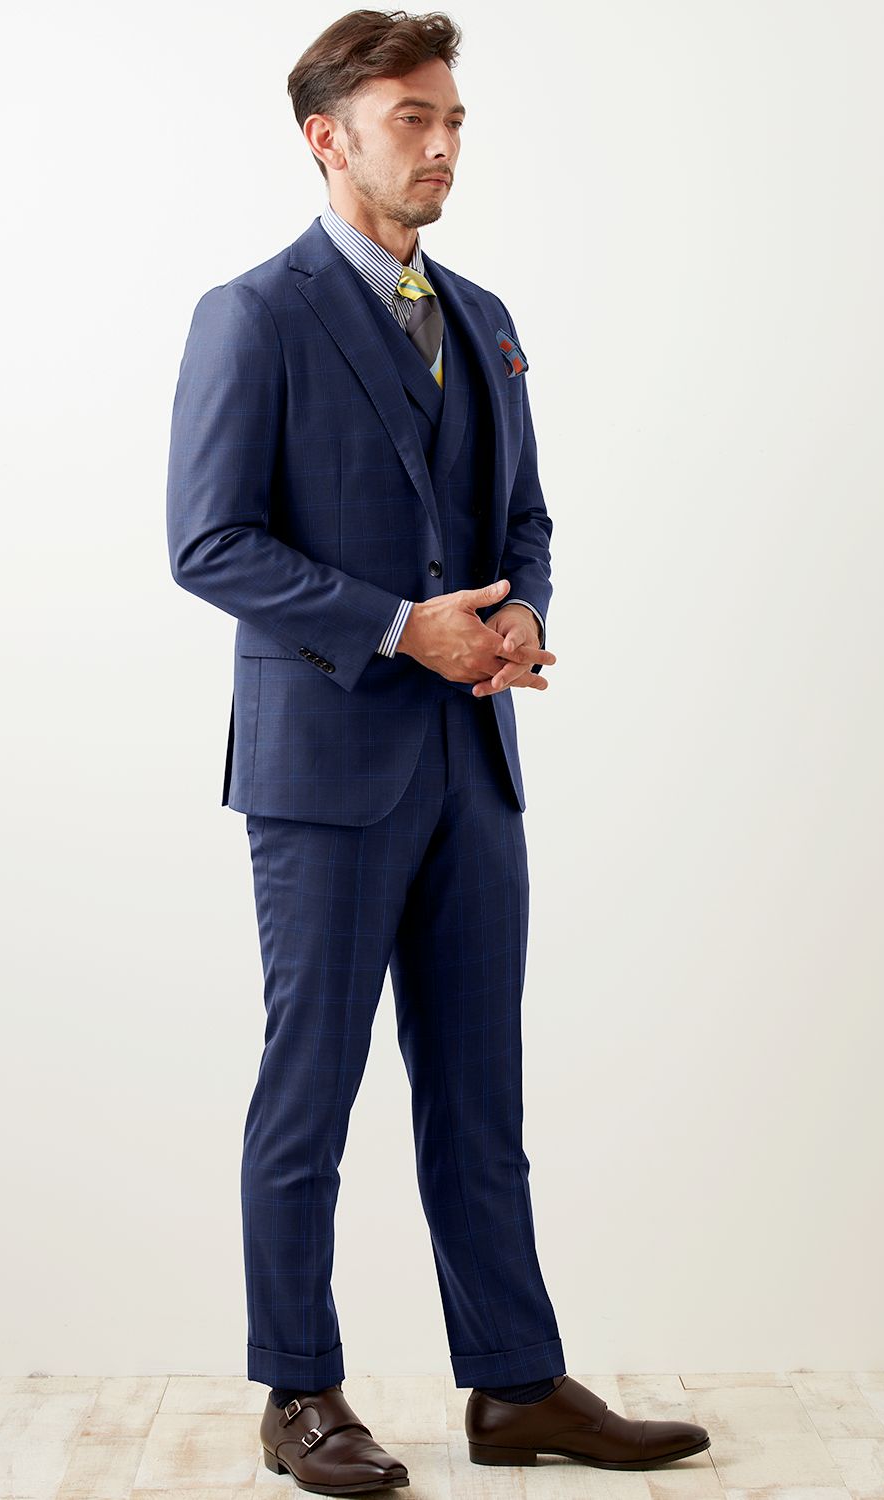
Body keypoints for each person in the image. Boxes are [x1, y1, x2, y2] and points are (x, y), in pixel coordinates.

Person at [166, 9, 710, 1493]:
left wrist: (524, 610)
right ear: (327, 138)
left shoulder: (481, 315)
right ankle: (299, 1392)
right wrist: (404, 627)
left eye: (454, 118)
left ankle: (515, 1386)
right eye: (413, 118)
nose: (445, 144)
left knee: (480, 1092)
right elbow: (208, 542)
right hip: (325, 773)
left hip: (475, 766)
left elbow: (524, 512)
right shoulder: (253, 315)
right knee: (311, 1088)